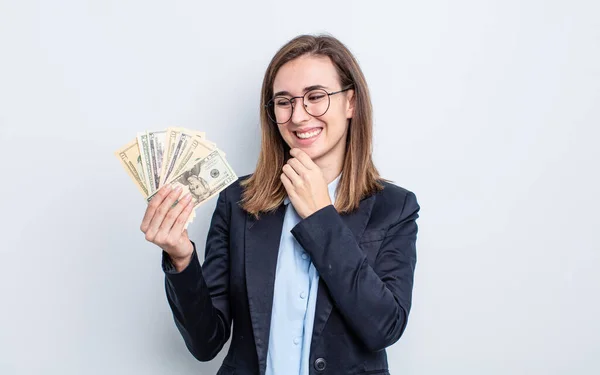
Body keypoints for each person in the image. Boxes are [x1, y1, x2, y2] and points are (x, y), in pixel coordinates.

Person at [140, 34, 420, 375]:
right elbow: (205, 343)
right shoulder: (238, 202)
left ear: (351, 103)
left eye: (315, 97)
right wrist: (182, 259)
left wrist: (320, 217)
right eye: (284, 101)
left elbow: (384, 328)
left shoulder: (395, 207)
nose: (298, 116)